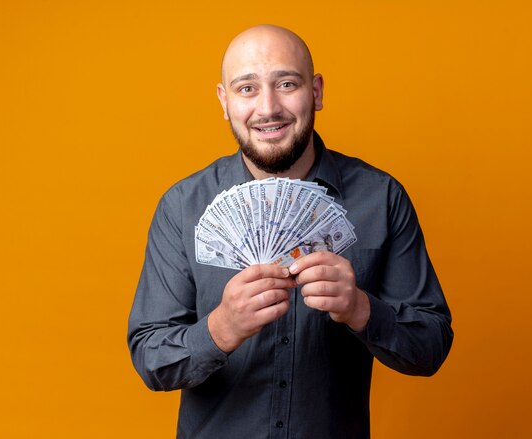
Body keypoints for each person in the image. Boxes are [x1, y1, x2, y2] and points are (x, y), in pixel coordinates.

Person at [128, 24, 453, 438]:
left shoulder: (381, 198)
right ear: (224, 102)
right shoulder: (182, 208)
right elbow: (150, 359)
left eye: (286, 83)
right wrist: (221, 328)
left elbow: (431, 347)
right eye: (247, 88)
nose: (268, 108)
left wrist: (360, 309)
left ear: (316, 91)